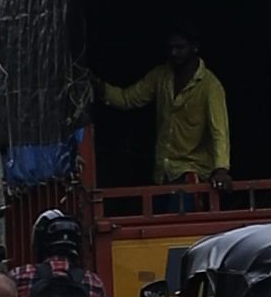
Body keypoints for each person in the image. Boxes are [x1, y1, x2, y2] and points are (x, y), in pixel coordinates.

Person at [97, 28, 230, 184]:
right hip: (162, 172)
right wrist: (97, 85)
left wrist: (221, 169)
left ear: (195, 47)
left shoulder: (210, 86)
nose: (173, 53)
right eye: (170, 48)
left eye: (180, 48)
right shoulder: (160, 75)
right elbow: (128, 99)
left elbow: (219, 130)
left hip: (192, 172)